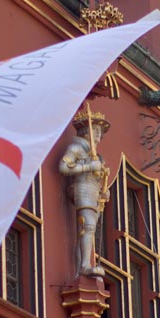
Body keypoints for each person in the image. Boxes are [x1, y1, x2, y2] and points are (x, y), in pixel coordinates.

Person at [59, 111, 111, 277]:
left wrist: (105, 190)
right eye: (95, 131)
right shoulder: (76, 148)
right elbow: (64, 167)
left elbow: (99, 178)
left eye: (99, 132)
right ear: (85, 132)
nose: (98, 135)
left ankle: (82, 267)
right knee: (87, 225)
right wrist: (88, 167)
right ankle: (84, 266)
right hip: (82, 187)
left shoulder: (97, 156)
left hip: (94, 192)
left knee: (87, 229)